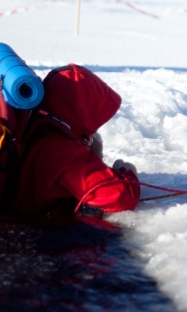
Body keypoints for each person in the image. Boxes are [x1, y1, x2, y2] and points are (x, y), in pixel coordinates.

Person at [13, 64, 140, 217]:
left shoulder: (40, 127)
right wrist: (127, 172)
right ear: (80, 109)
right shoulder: (63, 152)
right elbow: (121, 197)